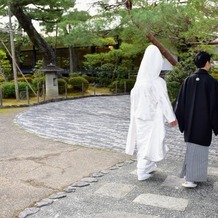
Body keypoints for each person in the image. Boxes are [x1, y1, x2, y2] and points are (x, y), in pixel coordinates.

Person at [126, 45, 177, 181]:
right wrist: (171, 118)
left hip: (139, 118)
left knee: (143, 143)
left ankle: (147, 165)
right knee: (151, 143)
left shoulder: (138, 83)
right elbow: (164, 101)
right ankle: (142, 170)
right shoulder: (157, 82)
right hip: (152, 119)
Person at [174, 51, 218, 188]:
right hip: (204, 124)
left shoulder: (188, 80)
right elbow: (215, 106)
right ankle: (190, 178)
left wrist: (182, 120)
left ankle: (191, 175)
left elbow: (179, 103)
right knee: (198, 148)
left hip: (190, 123)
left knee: (192, 147)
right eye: (209, 62)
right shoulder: (212, 82)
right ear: (206, 63)